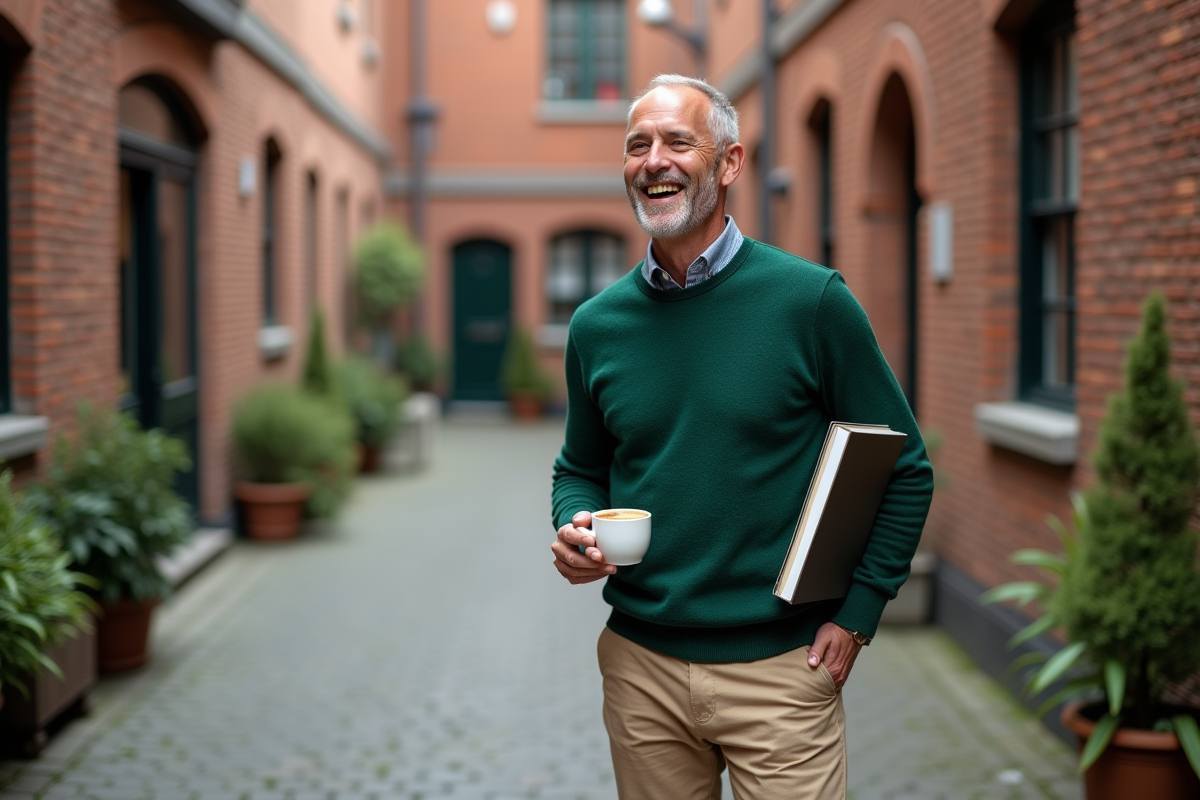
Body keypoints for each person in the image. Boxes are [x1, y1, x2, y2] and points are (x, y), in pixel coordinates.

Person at [549, 74, 934, 800]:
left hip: (783, 670)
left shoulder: (811, 302)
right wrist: (574, 525)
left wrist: (857, 616)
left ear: (728, 164)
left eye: (677, 141)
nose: (653, 159)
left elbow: (904, 467)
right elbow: (580, 467)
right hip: (641, 668)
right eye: (638, 145)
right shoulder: (595, 326)